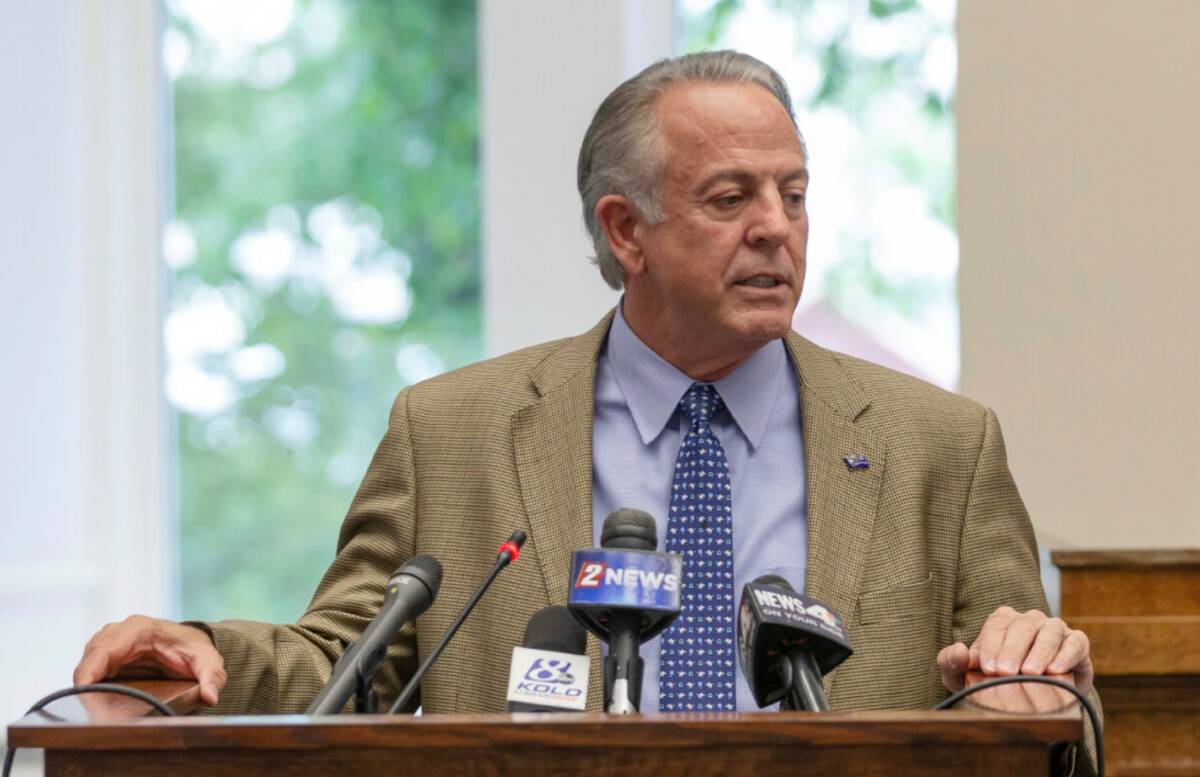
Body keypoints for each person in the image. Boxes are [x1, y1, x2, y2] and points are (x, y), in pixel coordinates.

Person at [75, 50, 1097, 767]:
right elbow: (350, 665)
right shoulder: (455, 433)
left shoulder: (939, 446)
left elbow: (1042, 715)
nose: (777, 230)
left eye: (794, 194)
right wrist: (200, 647)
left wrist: (1045, 696)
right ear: (626, 231)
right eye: (731, 198)